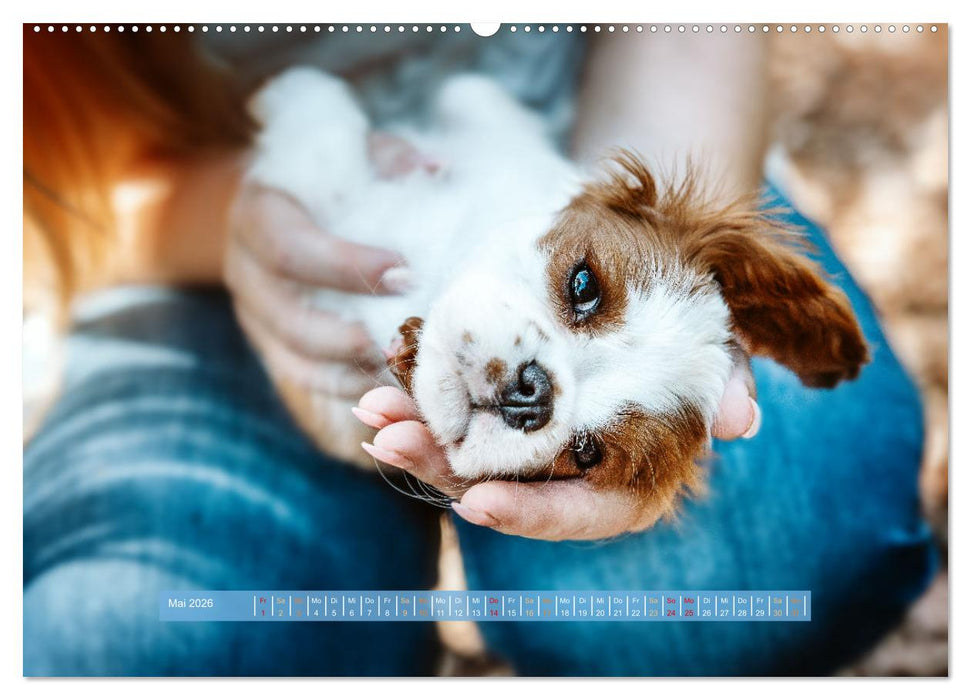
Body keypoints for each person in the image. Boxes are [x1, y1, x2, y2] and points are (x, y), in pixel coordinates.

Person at [23, 25, 936, 675]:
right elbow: (47, 208)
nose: (541, 396)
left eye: (588, 444)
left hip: (591, 122)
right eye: (583, 294)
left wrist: (660, 213)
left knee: (754, 575)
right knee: (140, 643)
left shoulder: (610, 223)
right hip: (181, 238)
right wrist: (240, 214)